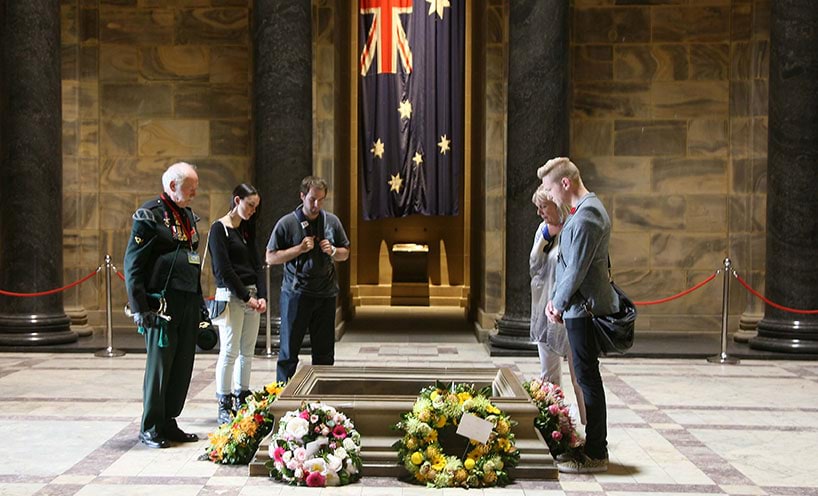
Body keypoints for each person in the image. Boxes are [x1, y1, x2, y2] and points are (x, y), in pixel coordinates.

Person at [540, 157, 618, 474]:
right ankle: (591, 445)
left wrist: (557, 303)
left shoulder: (587, 215)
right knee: (586, 378)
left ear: (565, 184)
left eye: (549, 187)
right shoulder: (584, 211)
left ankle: (597, 452)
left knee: (588, 380)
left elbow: (577, 268)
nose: (548, 194)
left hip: (583, 310)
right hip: (578, 307)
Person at [124, 162, 206, 449]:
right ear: (172, 186)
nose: (195, 193)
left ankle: (169, 420)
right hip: (161, 305)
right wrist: (140, 307)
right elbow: (133, 264)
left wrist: (201, 307)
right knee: (160, 367)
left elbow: (193, 261)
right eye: (191, 188)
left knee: (182, 365)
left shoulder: (186, 215)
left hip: (187, 301)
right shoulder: (150, 215)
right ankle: (150, 425)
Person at [265, 176, 350, 382]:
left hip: (326, 293)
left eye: (321, 200)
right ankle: (282, 396)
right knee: (288, 352)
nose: (316, 205)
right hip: (296, 294)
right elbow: (271, 257)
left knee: (324, 353)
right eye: (312, 199)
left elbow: (345, 253)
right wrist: (299, 249)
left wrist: (333, 251)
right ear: (302, 196)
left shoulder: (332, 221)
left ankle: (323, 399)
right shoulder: (287, 223)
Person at [208, 183, 267, 425]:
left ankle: (241, 394)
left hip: (251, 295)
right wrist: (246, 297)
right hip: (231, 296)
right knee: (230, 351)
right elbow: (223, 270)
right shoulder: (219, 229)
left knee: (247, 351)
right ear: (237, 200)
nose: (253, 211)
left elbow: (257, 265)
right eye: (250, 205)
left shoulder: (246, 230)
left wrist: (261, 295)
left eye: (256, 207)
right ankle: (224, 401)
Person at [529, 185, 586, 427]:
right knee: (548, 376)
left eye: (544, 206)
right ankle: (557, 427)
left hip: (571, 313)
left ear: (556, 205)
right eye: (538, 207)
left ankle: (588, 427)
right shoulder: (543, 230)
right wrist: (545, 238)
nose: (540, 212)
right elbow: (534, 265)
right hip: (545, 312)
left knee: (580, 378)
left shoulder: (574, 228)